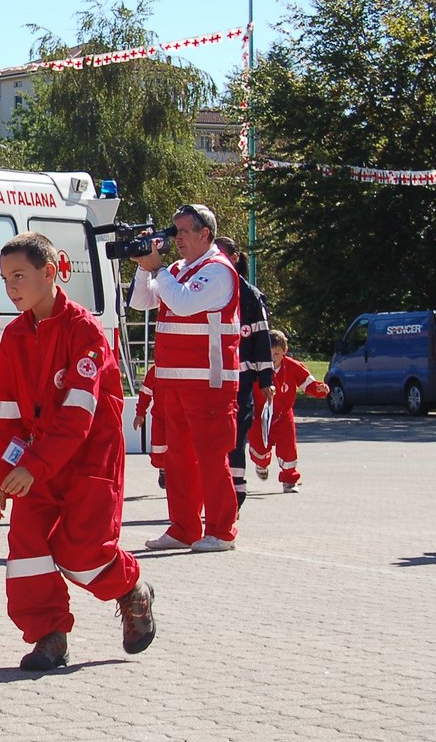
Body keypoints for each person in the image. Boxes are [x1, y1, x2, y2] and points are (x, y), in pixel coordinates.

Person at [0, 231, 153, 671]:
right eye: (6, 279)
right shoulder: (14, 336)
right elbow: (8, 419)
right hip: (35, 465)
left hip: (88, 462)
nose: (12, 287)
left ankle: (131, 589)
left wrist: (33, 467)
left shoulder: (85, 332)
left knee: (82, 552)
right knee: (27, 549)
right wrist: (1, 478)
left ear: (50, 273)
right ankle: (49, 638)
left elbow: (78, 418)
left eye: (20, 276)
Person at [129, 204, 242, 553]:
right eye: (174, 231)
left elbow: (183, 303)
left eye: (183, 231)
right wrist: (142, 266)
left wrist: (159, 269)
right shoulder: (177, 269)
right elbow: (139, 301)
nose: (175, 238)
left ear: (204, 234)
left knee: (211, 457)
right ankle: (183, 527)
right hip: (174, 380)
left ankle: (222, 532)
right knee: (177, 459)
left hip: (209, 381)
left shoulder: (218, 269)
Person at [216, 236, 274, 512]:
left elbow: (262, 339)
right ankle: (216, 497)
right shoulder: (208, 288)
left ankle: (235, 496)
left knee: (236, 438)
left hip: (240, 380)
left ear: (235, 257)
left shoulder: (249, 295)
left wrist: (266, 379)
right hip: (212, 378)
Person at [250, 329, 329, 492]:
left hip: (283, 416)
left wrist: (319, 389)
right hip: (259, 417)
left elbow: (307, 383)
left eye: (276, 354)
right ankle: (261, 464)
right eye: (268, 354)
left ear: (284, 352)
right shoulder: (254, 367)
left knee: (288, 449)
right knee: (259, 449)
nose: (272, 359)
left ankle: (289, 480)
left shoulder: (292, 366)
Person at [132, 363, 167, 484]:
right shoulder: (155, 371)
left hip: (182, 418)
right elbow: (145, 392)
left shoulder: (185, 367)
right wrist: (140, 414)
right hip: (161, 419)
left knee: (184, 450)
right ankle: (163, 471)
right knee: (159, 448)